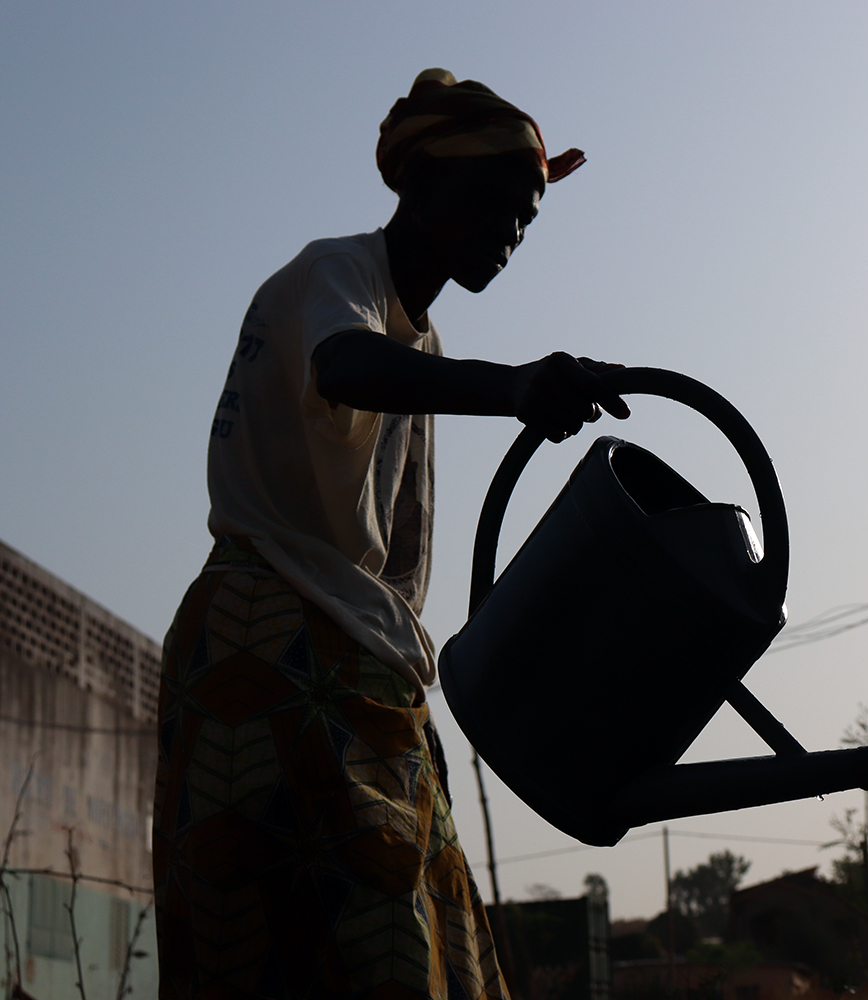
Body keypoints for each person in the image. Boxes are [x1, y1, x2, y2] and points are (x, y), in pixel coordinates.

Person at [151, 68, 626, 1000]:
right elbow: (345, 364)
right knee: (346, 942)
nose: (511, 229)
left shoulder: (425, 343)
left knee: (427, 940)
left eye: (528, 214)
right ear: (416, 184)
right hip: (273, 642)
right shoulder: (337, 275)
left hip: (361, 656)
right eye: (494, 200)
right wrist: (513, 387)